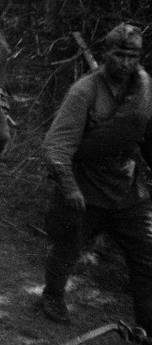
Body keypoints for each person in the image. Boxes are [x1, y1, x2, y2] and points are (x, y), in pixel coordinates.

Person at [40, 23, 152, 330]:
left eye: (133, 56)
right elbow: (56, 146)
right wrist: (69, 188)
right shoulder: (85, 91)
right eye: (119, 55)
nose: (126, 63)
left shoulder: (143, 90)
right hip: (85, 188)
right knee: (67, 247)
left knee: (147, 259)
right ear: (104, 54)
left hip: (128, 190)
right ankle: (52, 296)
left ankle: (146, 326)